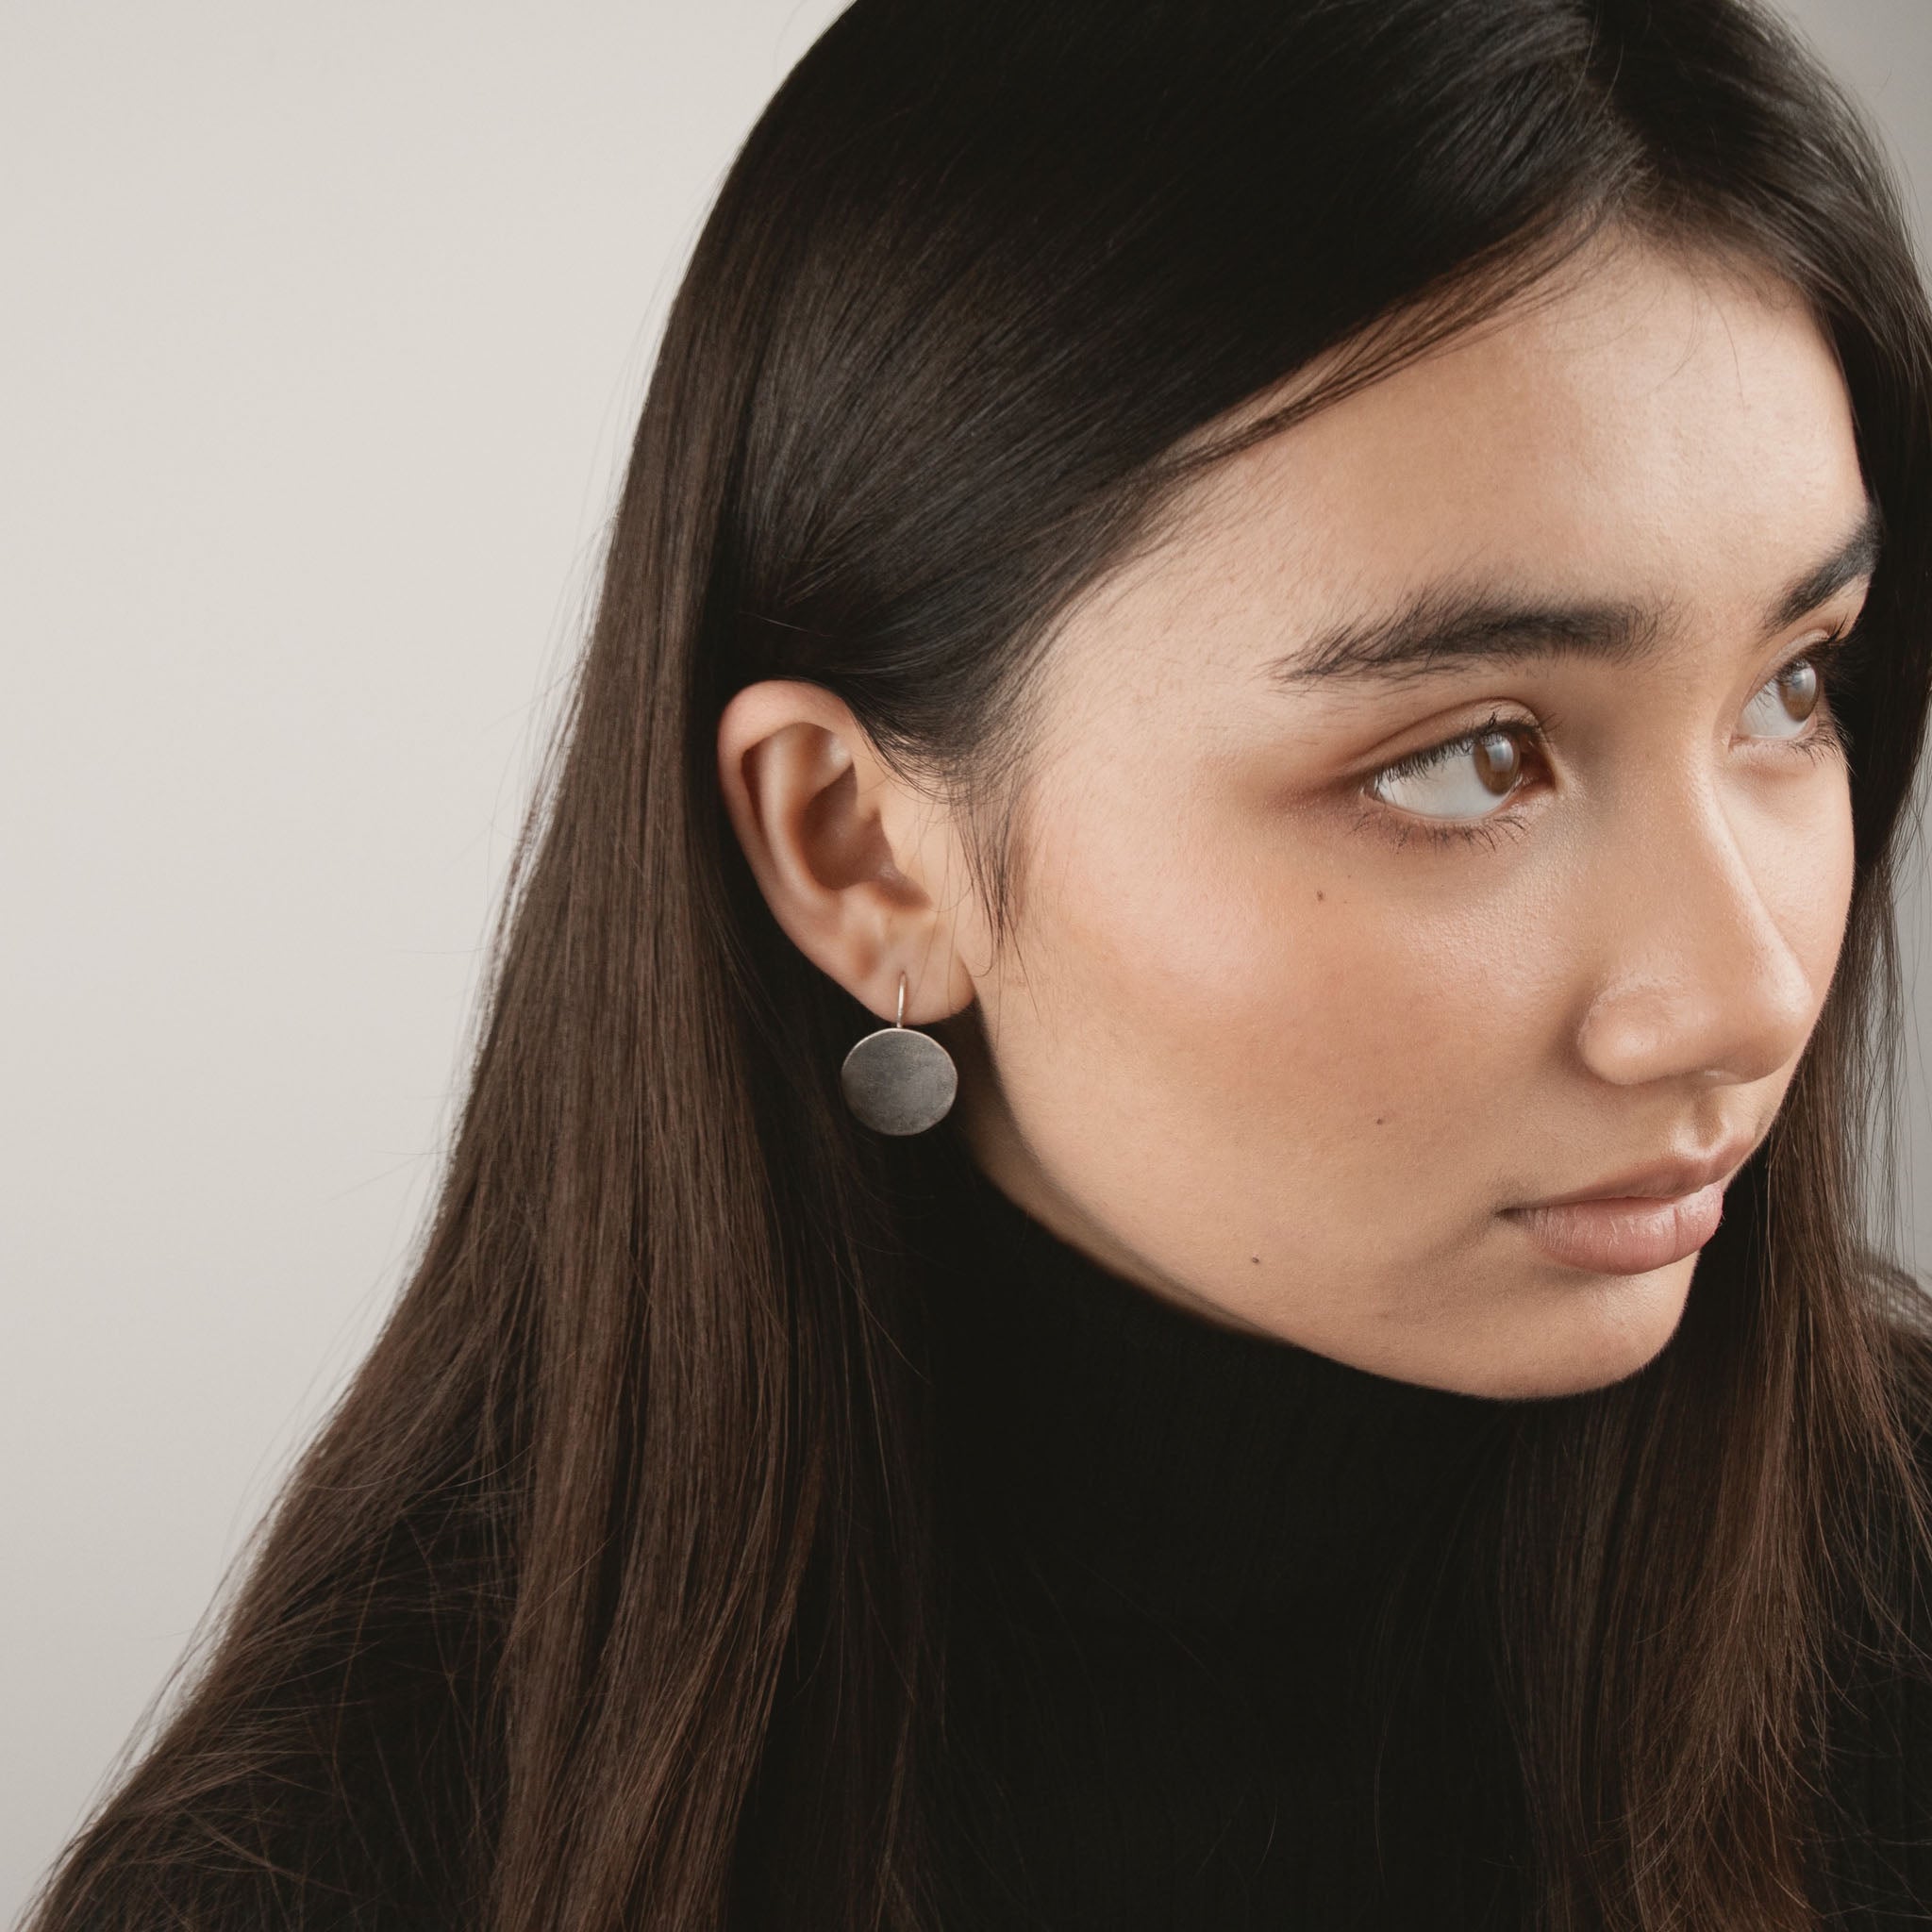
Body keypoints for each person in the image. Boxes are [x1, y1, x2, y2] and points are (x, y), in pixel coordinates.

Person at [24, 0, 1932, 1926]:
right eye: (1467, 759)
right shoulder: (345, 1875)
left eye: (1793, 687)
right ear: (859, 854)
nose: (1747, 992)